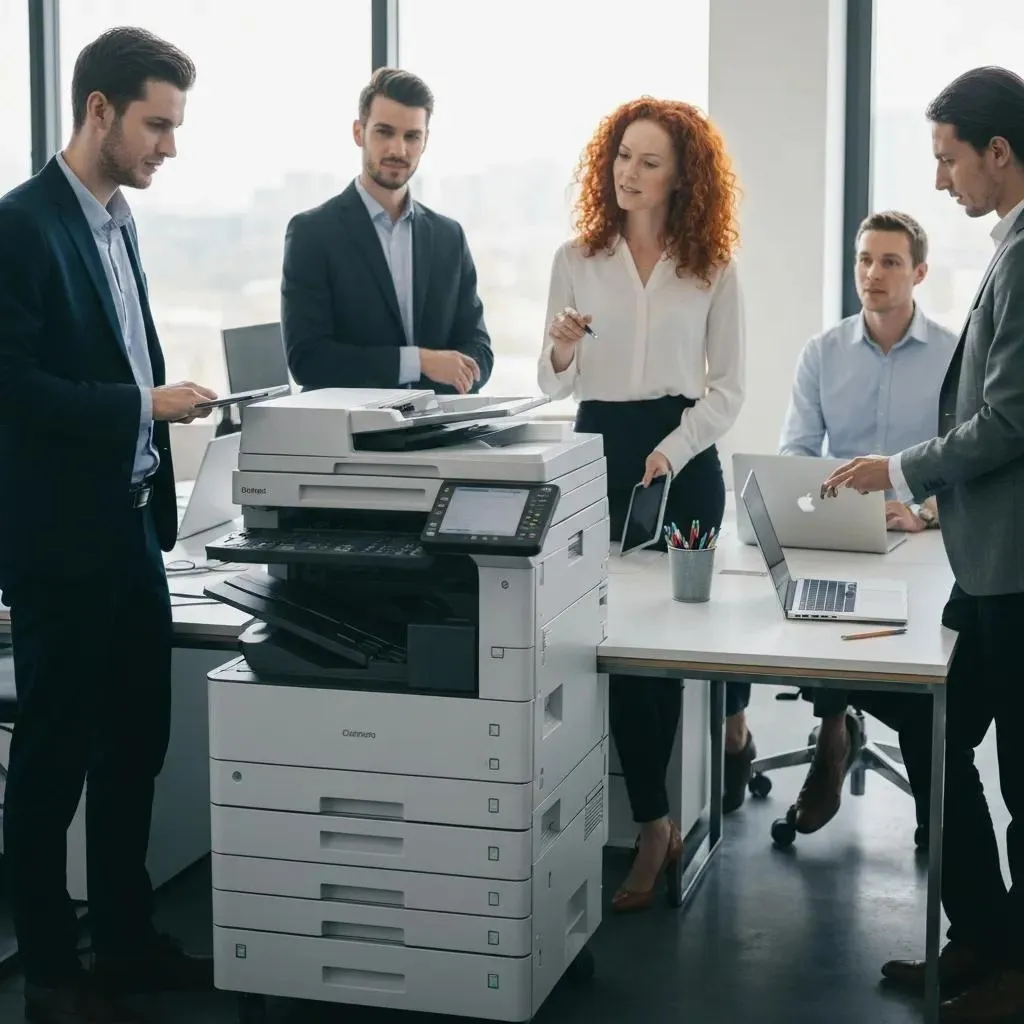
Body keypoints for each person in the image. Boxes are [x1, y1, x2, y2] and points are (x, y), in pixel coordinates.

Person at [0, 28, 219, 1024]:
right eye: (157, 123)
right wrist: (146, 408)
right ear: (98, 110)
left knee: (138, 742)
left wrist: (155, 419)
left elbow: (122, 346)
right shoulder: (21, 225)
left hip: (130, 528)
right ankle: (51, 965)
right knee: (51, 758)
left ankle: (125, 940)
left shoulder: (119, 219)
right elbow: (13, 387)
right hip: (60, 543)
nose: (168, 144)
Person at [822, 66, 1024, 1021]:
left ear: (997, 151)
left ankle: (1005, 962)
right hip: (986, 567)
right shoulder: (1010, 242)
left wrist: (897, 471)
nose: (942, 179)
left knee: (1015, 774)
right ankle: (985, 936)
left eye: (950, 159)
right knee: (932, 727)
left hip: (1012, 572)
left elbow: (1006, 424)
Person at [538, 97, 746, 910]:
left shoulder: (713, 266)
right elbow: (553, 381)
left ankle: (705, 768)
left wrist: (674, 448)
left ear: (681, 176)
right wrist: (561, 346)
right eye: (623, 155)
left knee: (669, 648)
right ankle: (653, 822)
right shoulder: (577, 257)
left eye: (649, 161)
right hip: (600, 455)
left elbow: (728, 389)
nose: (629, 172)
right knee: (617, 649)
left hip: (682, 461)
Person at [778, 209, 957, 835]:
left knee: (918, 668)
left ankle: (933, 807)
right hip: (843, 536)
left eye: (889, 262)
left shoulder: (953, 353)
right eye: (864, 259)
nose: (872, 274)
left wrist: (922, 510)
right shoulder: (822, 353)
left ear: (919, 272)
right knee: (818, 611)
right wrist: (846, 508)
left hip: (925, 543)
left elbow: (965, 458)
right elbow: (797, 453)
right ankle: (832, 736)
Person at [282, 67, 493, 395]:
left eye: (412, 136)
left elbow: (479, 347)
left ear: (425, 142)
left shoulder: (449, 237)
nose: (399, 150)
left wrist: (462, 373)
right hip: (350, 439)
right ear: (358, 132)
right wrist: (419, 362)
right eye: (384, 132)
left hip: (438, 434)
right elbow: (308, 359)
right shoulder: (312, 233)